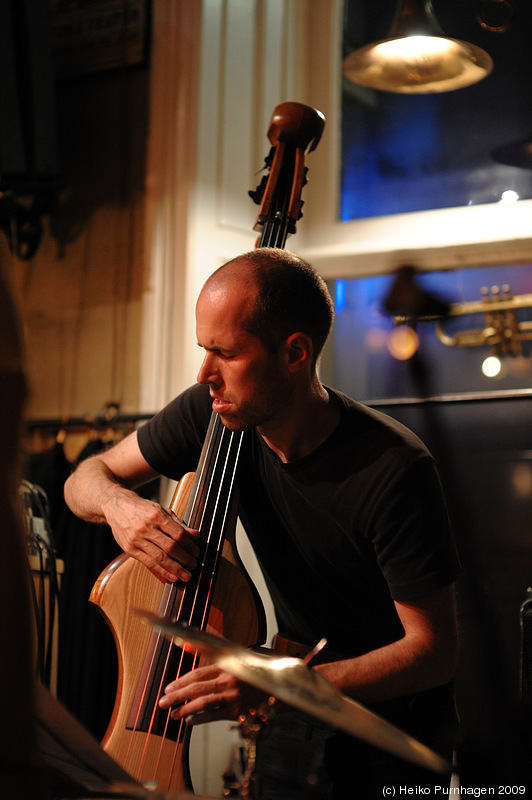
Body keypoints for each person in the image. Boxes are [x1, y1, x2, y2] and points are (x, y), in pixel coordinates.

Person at [64, 247, 460, 798]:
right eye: (204, 350)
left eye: (225, 353)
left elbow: (433, 652)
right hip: (288, 706)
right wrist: (118, 506)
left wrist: (279, 683)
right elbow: (86, 476)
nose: (205, 374)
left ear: (295, 352)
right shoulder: (214, 413)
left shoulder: (394, 468)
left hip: (391, 730)